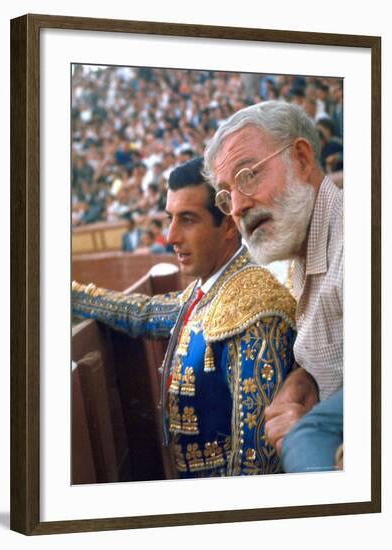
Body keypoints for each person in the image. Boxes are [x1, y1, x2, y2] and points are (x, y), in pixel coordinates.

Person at [73, 156, 297, 479]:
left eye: (188, 220)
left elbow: (256, 461)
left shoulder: (254, 309)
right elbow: (145, 313)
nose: (171, 236)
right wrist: (72, 294)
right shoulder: (213, 286)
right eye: (170, 218)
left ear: (230, 225)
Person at [204, 100, 343, 471]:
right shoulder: (298, 251)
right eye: (225, 194)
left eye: (248, 174)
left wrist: (318, 438)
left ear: (300, 157)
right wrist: (306, 378)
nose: (236, 206)